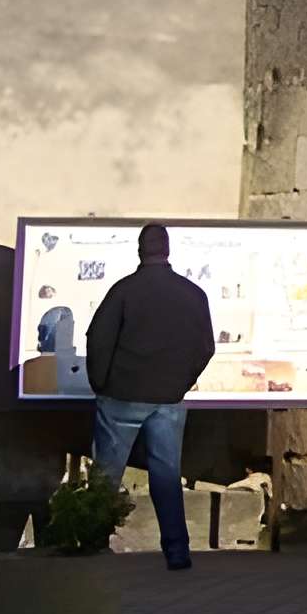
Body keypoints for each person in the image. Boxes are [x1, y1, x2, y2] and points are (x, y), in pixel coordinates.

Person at [84, 225, 216, 570]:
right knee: (166, 475)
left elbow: (98, 340)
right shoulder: (192, 294)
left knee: (106, 476)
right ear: (168, 251)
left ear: (140, 251)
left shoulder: (124, 291)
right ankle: (177, 550)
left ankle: (94, 543)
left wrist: (102, 384)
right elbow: (206, 347)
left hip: (122, 396)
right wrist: (182, 382)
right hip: (169, 398)